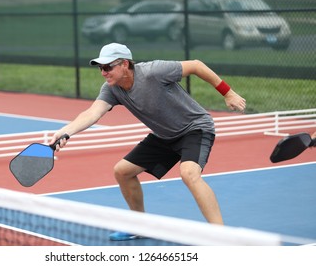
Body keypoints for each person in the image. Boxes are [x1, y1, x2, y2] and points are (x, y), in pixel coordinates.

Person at [50, 43, 246, 241]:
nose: (103, 72)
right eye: (100, 68)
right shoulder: (112, 89)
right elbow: (93, 112)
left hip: (194, 128)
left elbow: (196, 65)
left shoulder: (154, 72)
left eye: (107, 67)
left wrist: (228, 93)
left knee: (189, 173)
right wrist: (67, 131)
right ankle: (140, 225)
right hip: (164, 135)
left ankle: (223, 236)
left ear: (124, 64)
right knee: (122, 171)